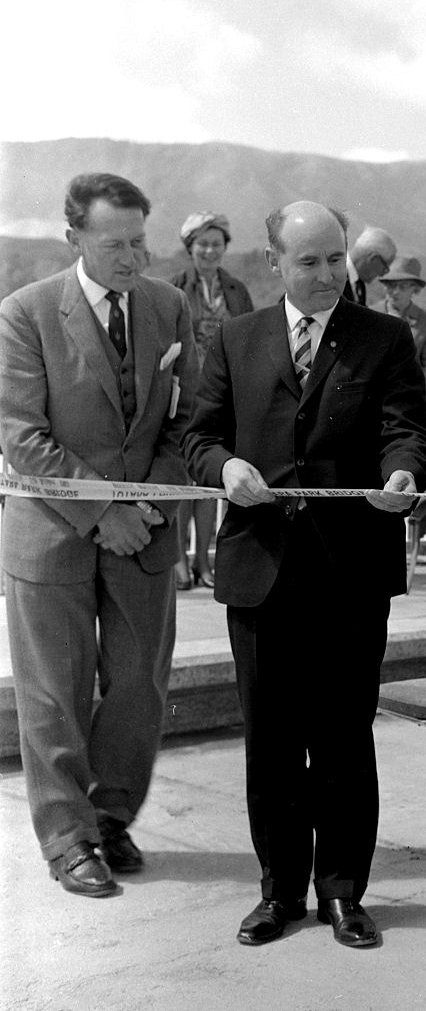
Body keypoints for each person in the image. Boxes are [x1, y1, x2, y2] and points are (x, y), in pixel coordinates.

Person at [183, 201, 426, 949]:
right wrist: (225, 468)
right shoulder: (235, 339)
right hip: (259, 571)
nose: (327, 275)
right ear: (274, 265)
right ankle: (278, 892)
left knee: (343, 741)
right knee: (269, 741)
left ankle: (342, 894)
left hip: (349, 571)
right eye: (309, 262)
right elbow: (198, 437)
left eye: (335, 259)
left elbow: (407, 431)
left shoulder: (384, 339)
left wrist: (401, 474)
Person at [0, 172, 198, 897]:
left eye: (140, 240)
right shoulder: (24, 314)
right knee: (53, 694)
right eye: (115, 243)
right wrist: (101, 513)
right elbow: (24, 438)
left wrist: (145, 506)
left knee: (139, 686)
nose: (132, 257)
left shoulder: (168, 306)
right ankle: (67, 838)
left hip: (144, 532)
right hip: (51, 538)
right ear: (73, 238)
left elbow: (190, 419)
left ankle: (111, 817)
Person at [169, 211, 254, 589]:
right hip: (185, 395)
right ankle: (179, 562)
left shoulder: (236, 290)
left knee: (209, 479)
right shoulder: (174, 288)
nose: (209, 250)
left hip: (223, 394)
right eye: (202, 243)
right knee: (182, 481)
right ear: (190, 247)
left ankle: (204, 560)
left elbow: (251, 341)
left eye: (216, 244)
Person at [379, 255, 426, 391]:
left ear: (415, 289)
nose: (395, 291)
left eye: (402, 286)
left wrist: (402, 382)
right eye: (391, 285)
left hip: (409, 403)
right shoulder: (370, 314)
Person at [344, 226, 396, 306]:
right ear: (373, 258)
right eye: (385, 268)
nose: (382, 274)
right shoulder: (332, 275)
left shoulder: (359, 286)